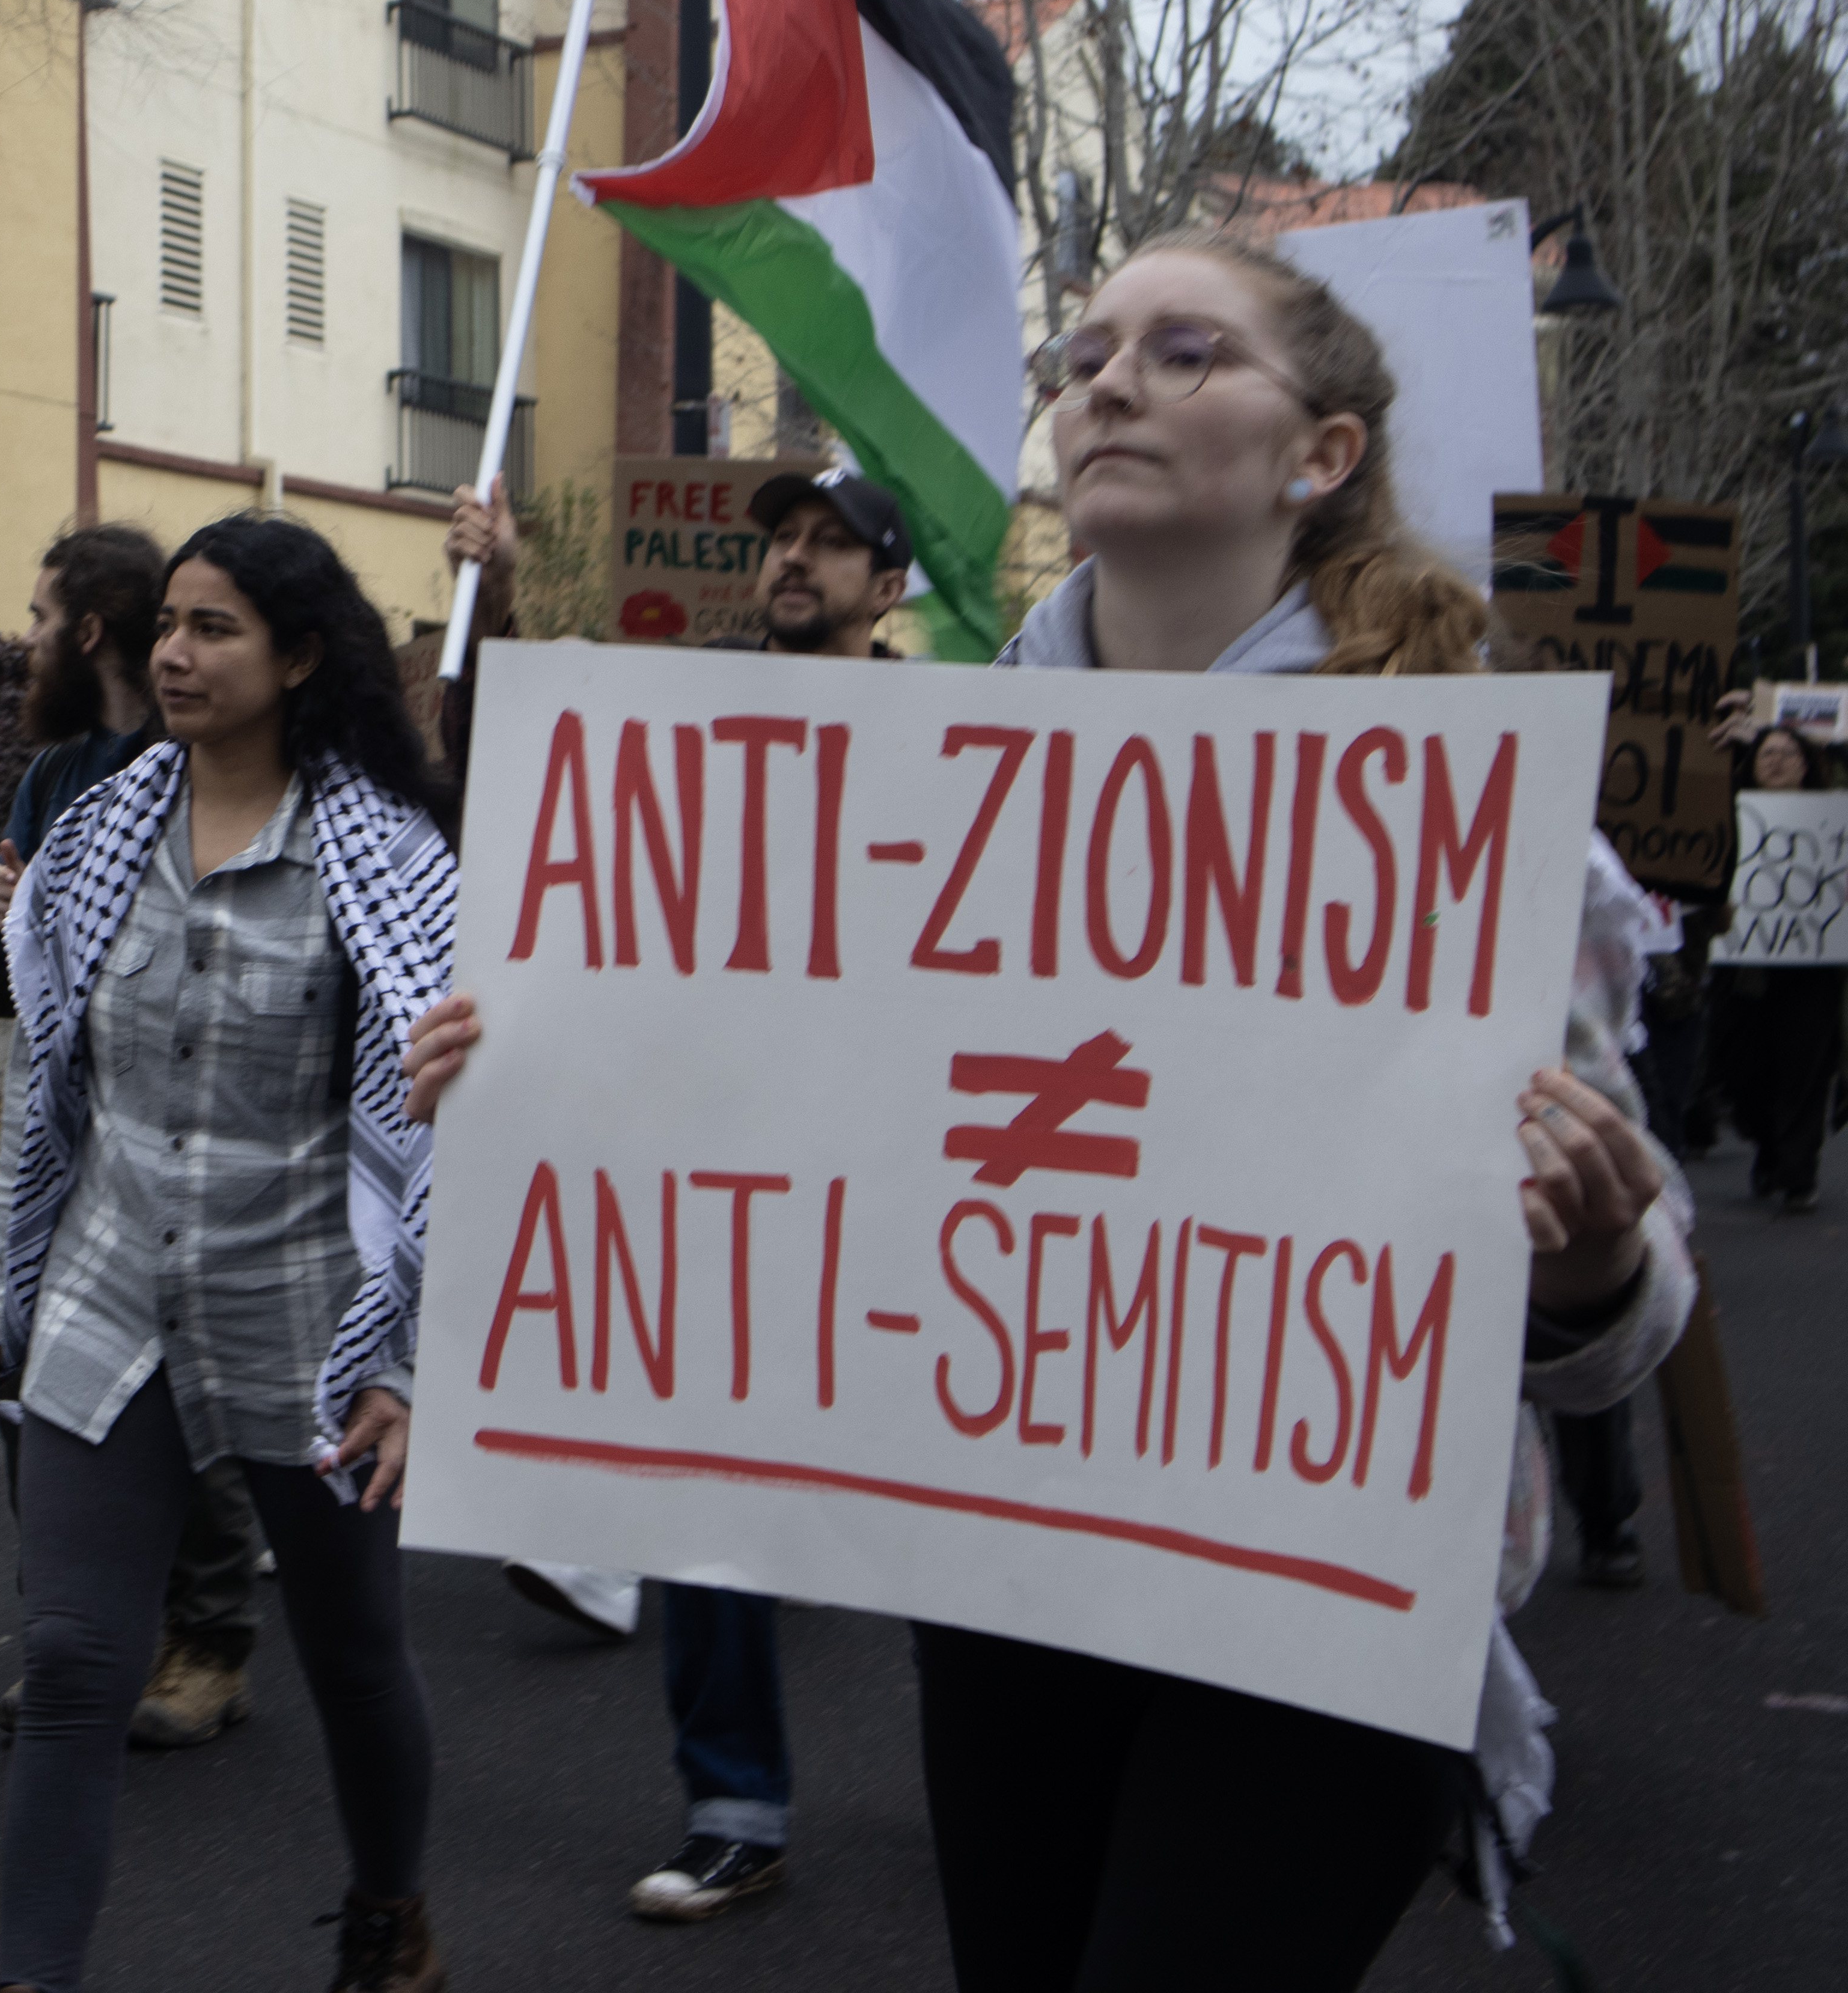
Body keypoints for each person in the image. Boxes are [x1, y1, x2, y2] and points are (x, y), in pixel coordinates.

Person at [409, 229, 1694, 1990]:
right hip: (1011, 1579)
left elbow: (1622, 1331)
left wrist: (1595, 1251)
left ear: (1320, 451)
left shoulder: (1459, 803)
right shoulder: (915, 794)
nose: (1107, 386)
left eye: (1182, 351)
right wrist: (540, 1091)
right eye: (1081, 357)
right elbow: (808, 1127)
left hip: (1321, 1608)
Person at [0, 515, 460, 1993]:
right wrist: (1, 1293)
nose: (173, 652)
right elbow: (50, 1091)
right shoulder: (96, 834)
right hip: (108, 1297)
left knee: (355, 1655)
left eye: (215, 626)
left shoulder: (394, 857)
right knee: (73, 1661)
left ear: (298, 656)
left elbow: (439, 1140)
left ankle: (391, 1914)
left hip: (309, 1315)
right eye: (168, 621)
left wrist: (406, 1362)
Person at [436, 462, 911, 1921]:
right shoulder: (693, 707)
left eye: (831, 543)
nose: (795, 559)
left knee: (959, 1499)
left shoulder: (956, 738)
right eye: (783, 538)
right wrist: (497, 595)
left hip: (902, 1169)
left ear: (889, 585)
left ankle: (1040, 1775)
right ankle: (733, 1803)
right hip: (728, 1168)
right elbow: (522, 763)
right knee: (715, 1481)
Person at [0, 524, 267, 1751]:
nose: (28, 638)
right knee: (42, 1385)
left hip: (183, 1132)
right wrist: (0, 914)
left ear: (88, 630)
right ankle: (87, 1634)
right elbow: (15, 958)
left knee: (184, 1393)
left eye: (43, 616)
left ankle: (209, 1642)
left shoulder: (199, 761)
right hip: (71, 1126)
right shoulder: (54, 776)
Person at [1709, 722, 1843, 1212]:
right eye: (1768, 753)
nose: (1778, 761)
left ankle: (1797, 1173)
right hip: (1744, 967)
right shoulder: (1727, 812)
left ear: (1808, 765)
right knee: (1743, 1068)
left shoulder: (1834, 817)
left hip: (1812, 969)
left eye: (1789, 753)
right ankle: (1769, 1146)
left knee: (1804, 1069)